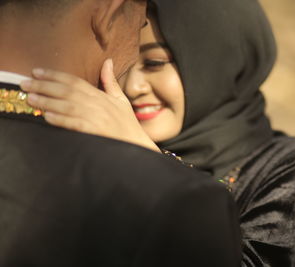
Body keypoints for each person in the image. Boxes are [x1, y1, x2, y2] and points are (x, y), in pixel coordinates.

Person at [24, 0, 295, 266]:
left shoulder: (292, 172)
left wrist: (143, 161)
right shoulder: (93, 154)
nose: (132, 87)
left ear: (218, 60)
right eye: (124, 66)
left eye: (156, 63)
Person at [0, 1, 242, 266]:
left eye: (154, 62)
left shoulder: (285, 175)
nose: (134, 87)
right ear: (107, 13)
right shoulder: (181, 202)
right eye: (139, 27)